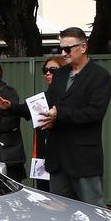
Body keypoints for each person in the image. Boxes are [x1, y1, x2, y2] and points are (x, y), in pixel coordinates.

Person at [41, 26, 111, 206]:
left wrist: (60, 114)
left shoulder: (100, 76)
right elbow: (47, 102)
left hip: (83, 159)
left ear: (83, 47)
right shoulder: (60, 74)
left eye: (68, 49)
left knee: (94, 212)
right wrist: (12, 107)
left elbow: (95, 112)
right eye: (61, 49)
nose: (63, 53)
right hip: (57, 158)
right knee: (57, 213)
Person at [27, 56, 64, 192]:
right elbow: (23, 110)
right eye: (45, 70)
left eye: (52, 70)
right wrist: (8, 106)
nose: (48, 73)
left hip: (64, 159)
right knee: (43, 197)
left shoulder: (71, 96)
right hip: (42, 157)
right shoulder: (41, 98)